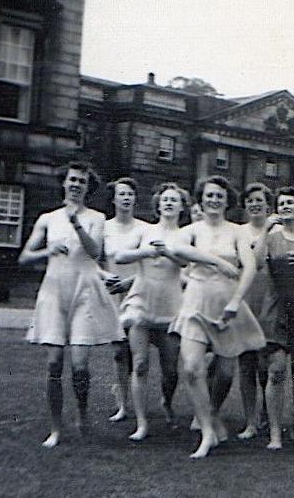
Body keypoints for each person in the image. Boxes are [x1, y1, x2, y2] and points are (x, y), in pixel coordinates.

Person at [20, 161, 124, 448]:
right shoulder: (48, 218)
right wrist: (47, 250)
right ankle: (56, 428)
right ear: (64, 183)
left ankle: (82, 416)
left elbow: (95, 252)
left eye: (82, 181)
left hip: (85, 292)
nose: (77, 184)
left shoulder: (97, 218)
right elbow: (25, 256)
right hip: (55, 292)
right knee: (54, 363)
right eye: (73, 180)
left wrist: (76, 223)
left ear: (88, 188)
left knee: (79, 366)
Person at [169, 175, 266, 458]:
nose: (214, 200)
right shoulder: (191, 230)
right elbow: (177, 249)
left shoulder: (237, 232)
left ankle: (210, 413)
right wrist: (217, 261)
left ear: (227, 201)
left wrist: (236, 301)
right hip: (196, 301)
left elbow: (249, 267)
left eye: (219, 196)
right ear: (201, 199)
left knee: (224, 373)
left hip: (226, 304)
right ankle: (207, 433)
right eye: (209, 195)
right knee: (191, 368)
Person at [114, 183, 192, 441]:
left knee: (170, 371)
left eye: (174, 200)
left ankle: (166, 402)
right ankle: (141, 423)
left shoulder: (185, 234)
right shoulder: (144, 230)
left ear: (181, 207)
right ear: (158, 205)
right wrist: (146, 251)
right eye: (164, 199)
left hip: (171, 306)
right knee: (140, 364)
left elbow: (187, 263)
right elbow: (121, 256)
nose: (168, 203)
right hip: (141, 302)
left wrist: (167, 252)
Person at [257, 187, 294, 449]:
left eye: (290, 203)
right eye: (281, 204)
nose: (285, 207)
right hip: (277, 309)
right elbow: (257, 263)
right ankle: (274, 432)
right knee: (277, 370)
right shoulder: (271, 237)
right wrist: (264, 230)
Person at [101, 177, 149, 423]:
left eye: (130, 194)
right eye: (122, 194)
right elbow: (94, 260)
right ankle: (123, 403)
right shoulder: (104, 228)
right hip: (112, 295)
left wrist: (128, 283)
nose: (126, 198)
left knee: (138, 353)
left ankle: (158, 401)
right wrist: (104, 277)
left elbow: (150, 265)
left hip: (137, 292)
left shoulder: (144, 229)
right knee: (119, 352)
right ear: (114, 199)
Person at [236, 183, 280, 440]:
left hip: (268, 301)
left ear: (268, 205)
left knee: (266, 364)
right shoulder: (239, 232)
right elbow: (250, 263)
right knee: (246, 365)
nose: (254, 204)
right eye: (250, 201)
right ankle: (251, 421)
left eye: (259, 200)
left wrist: (268, 230)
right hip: (246, 299)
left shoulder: (278, 232)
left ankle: (267, 412)